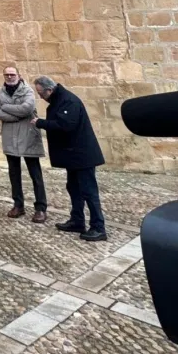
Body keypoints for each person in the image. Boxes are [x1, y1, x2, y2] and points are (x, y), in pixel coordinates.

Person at [31, 76, 107, 242]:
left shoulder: (69, 101)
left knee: (89, 191)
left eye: (41, 93)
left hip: (82, 155)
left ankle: (98, 227)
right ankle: (77, 221)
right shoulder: (60, 100)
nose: (41, 97)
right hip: (72, 155)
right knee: (73, 188)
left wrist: (40, 123)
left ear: (49, 90)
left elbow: (65, 125)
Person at [0, 65, 47, 223]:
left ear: (18, 75)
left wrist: (6, 107)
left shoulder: (27, 91)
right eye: (7, 74)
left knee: (35, 174)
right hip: (10, 137)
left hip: (28, 136)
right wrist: (16, 116)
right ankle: (18, 205)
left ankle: (41, 208)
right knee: (14, 173)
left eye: (12, 74)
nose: (9, 77)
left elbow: (27, 109)